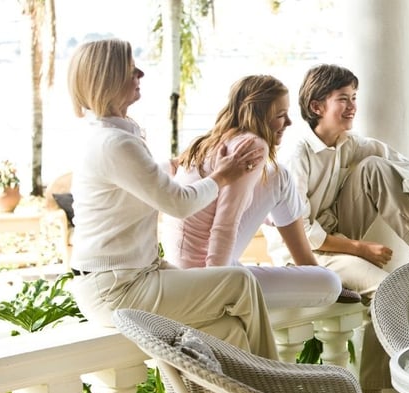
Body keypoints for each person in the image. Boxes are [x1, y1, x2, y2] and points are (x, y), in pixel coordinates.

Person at [66, 38, 279, 360]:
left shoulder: (108, 136)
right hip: (117, 288)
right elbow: (178, 204)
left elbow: (135, 183)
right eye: (130, 69)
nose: (140, 73)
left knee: (229, 330)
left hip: (129, 277)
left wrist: (175, 165)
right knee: (239, 282)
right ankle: (273, 378)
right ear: (108, 79)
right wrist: (223, 175)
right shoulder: (115, 143)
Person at [271, 63, 409, 393]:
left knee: (376, 165)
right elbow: (302, 231)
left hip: (338, 233)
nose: (353, 106)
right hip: (305, 254)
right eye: (343, 98)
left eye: (354, 97)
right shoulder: (297, 156)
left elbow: (403, 163)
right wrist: (359, 249)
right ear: (316, 106)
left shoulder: (348, 143)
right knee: (387, 290)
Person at [161, 74, 359, 309]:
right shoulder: (253, 147)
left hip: (185, 266)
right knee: (329, 283)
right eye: (280, 115)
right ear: (259, 116)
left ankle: (308, 265)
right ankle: (311, 268)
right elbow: (225, 224)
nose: (289, 122)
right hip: (205, 277)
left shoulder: (214, 140)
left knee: (278, 175)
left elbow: (217, 204)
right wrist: (216, 284)